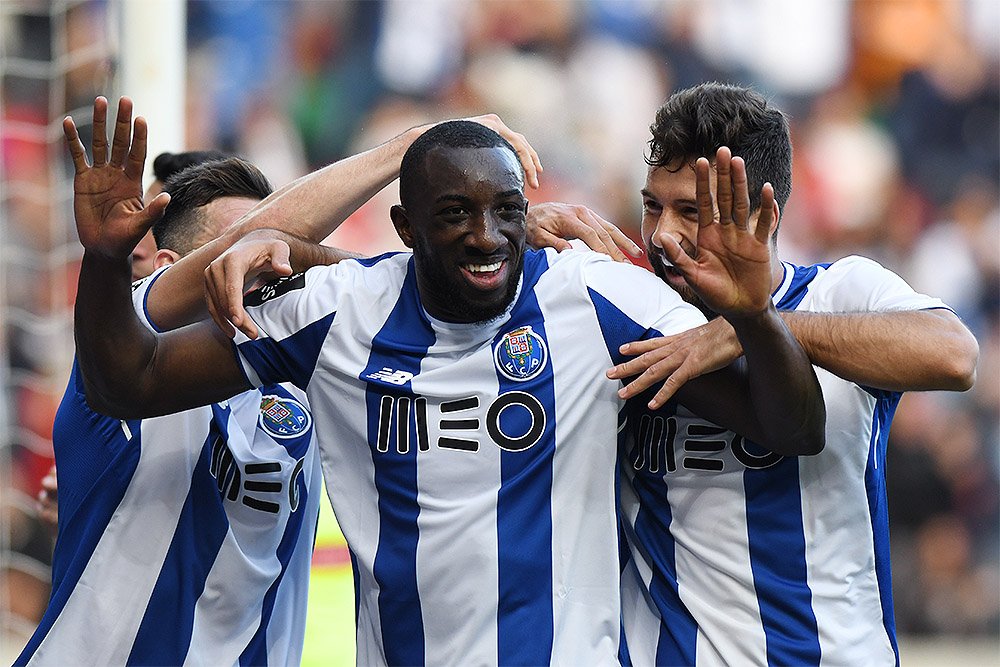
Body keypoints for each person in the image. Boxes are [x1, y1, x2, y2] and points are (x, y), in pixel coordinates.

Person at [68, 96, 823, 664]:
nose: (487, 236)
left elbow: (791, 426)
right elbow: (126, 384)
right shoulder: (337, 313)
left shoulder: (599, 301)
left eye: (508, 212)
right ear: (406, 228)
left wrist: (754, 317)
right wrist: (103, 262)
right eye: (456, 213)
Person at [21, 96, 543, 666]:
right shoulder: (124, 346)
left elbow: (390, 294)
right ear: (172, 270)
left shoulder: (320, 373)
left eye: (275, 256)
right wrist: (408, 147)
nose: (262, 263)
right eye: (240, 247)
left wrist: (510, 252)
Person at [606, 82, 979, 666]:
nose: (661, 236)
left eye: (692, 213)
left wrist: (756, 326)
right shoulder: (624, 314)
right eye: (653, 206)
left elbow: (955, 356)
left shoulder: (841, 291)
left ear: (762, 214)